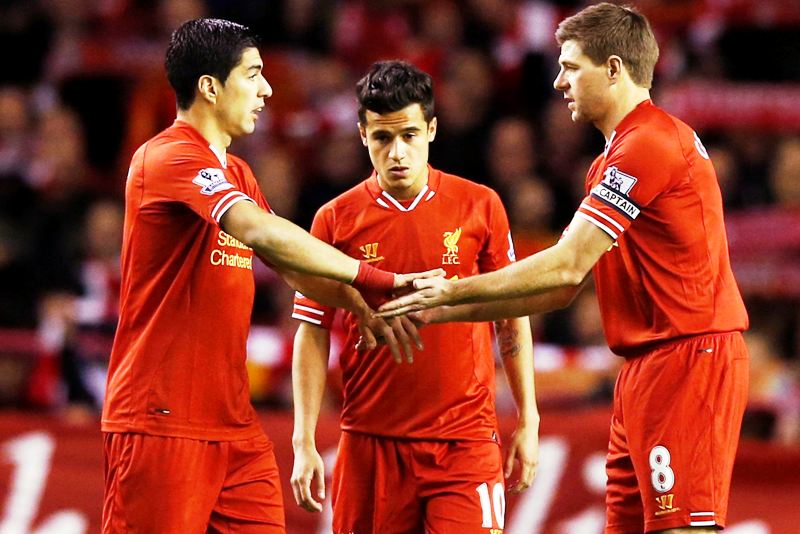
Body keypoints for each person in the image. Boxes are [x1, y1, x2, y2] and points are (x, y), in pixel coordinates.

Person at [379, 4, 749, 534]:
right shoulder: (615, 157)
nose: (558, 82)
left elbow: (564, 264)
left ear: (615, 69)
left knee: (683, 528)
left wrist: (446, 292)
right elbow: (562, 288)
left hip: (688, 357)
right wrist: (436, 312)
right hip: (646, 366)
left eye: (572, 67)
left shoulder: (648, 144)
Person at [101, 19, 435, 533]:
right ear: (211, 87)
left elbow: (291, 264)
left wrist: (360, 303)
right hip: (161, 419)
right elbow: (259, 230)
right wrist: (374, 276)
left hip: (233, 424)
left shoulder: (236, 173)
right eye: (253, 75)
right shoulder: (165, 157)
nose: (267, 88)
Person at [290, 60, 540, 533]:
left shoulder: (480, 206)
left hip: (464, 443)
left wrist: (528, 417)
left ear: (432, 129)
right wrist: (304, 440)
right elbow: (312, 328)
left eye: (409, 135)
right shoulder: (334, 220)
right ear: (363, 135)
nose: (397, 152)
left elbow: (512, 317)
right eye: (382, 138)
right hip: (371, 443)